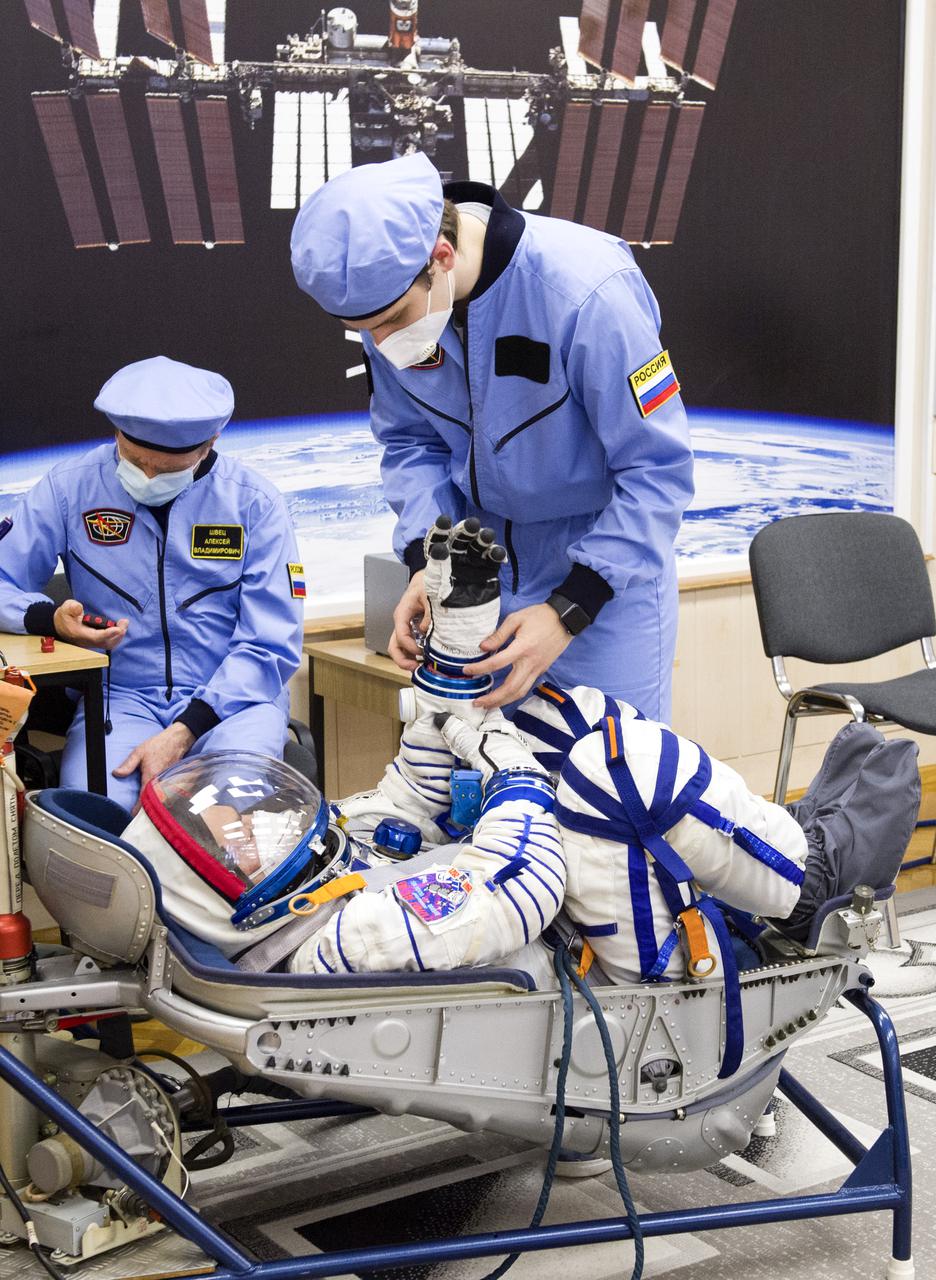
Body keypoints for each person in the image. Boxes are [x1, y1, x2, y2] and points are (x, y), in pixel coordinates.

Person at [120, 519, 920, 991]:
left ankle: (779, 848)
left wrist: (452, 658)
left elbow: (414, 799)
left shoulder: (309, 894)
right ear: (227, 895)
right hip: (627, 975)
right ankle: (806, 876)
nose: (249, 823)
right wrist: (496, 753)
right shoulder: (352, 938)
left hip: (587, 917)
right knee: (612, 770)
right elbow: (520, 881)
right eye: (229, 839)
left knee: (546, 717)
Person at [289, 152, 694, 721]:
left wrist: (571, 608)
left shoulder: (588, 292)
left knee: (609, 786)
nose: (382, 344)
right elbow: (412, 444)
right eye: (363, 332)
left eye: (390, 321)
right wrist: (426, 566)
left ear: (441, 256)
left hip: (605, 586)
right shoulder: (398, 309)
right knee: (483, 779)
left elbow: (658, 471)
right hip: (481, 583)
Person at [0, 356, 305, 811]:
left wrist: (185, 730)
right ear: (117, 434)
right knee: (95, 819)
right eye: (135, 460)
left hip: (232, 702)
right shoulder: (69, 490)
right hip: (120, 698)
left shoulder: (254, 505)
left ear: (210, 443)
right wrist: (49, 619)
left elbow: (270, 643)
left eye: (165, 470)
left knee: (226, 825)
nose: (145, 478)